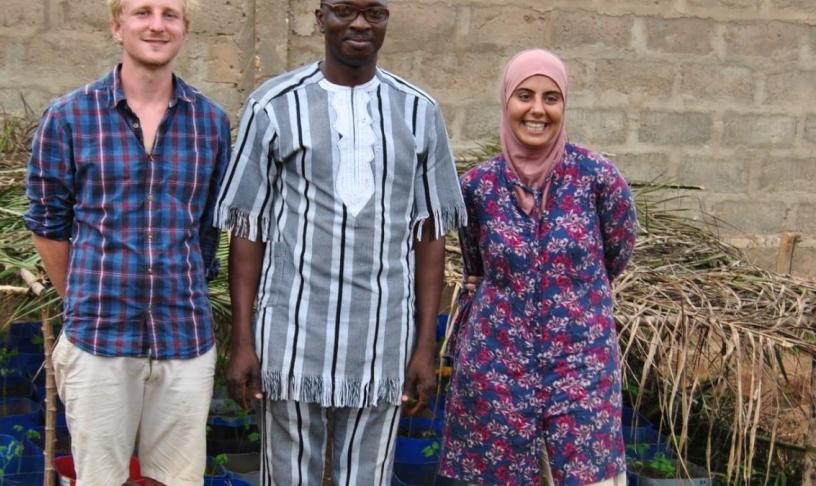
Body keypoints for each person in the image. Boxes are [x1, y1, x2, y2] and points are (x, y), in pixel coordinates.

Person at [214, 0, 466, 483]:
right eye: (344, 10)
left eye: (374, 12)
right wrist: (242, 342)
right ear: (319, 18)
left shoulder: (419, 111)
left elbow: (430, 236)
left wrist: (424, 348)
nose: (359, 24)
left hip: (382, 341)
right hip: (289, 340)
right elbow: (248, 230)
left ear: (387, 21)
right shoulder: (273, 105)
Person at [23, 0, 230, 484]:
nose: (157, 25)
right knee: (99, 477)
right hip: (99, 338)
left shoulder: (211, 122)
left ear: (184, 29)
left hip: (185, 337)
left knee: (176, 478)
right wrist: (81, 297)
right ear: (117, 27)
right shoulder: (70, 117)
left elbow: (207, 227)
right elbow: (47, 223)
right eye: (142, 12)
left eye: (170, 14)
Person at [439, 49, 637, 486]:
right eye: (524, 95)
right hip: (497, 364)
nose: (537, 109)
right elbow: (477, 266)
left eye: (551, 98)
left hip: (580, 364)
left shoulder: (598, 178)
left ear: (564, 106)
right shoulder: (476, 187)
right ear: (506, 100)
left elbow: (617, 253)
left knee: (590, 476)